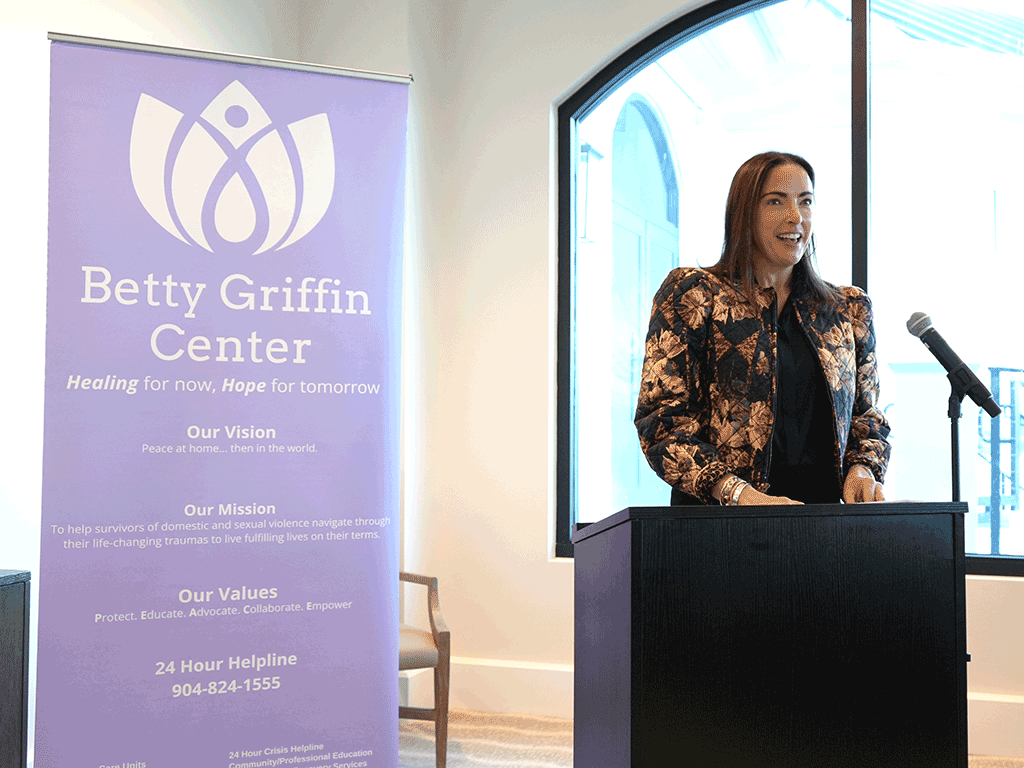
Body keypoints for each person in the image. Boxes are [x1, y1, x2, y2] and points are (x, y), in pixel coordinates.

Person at [634, 151, 891, 506]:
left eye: (806, 202)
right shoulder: (695, 294)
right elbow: (661, 420)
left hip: (825, 529)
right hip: (719, 530)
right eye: (775, 201)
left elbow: (866, 417)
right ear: (744, 214)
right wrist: (739, 494)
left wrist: (863, 468)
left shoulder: (847, 309)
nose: (795, 217)